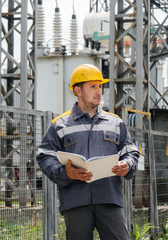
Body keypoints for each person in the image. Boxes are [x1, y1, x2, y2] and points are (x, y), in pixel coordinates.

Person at [36, 64, 140, 240]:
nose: (99, 91)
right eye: (93, 86)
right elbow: (45, 156)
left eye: (100, 86)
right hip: (76, 202)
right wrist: (65, 173)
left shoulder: (115, 123)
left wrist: (127, 165)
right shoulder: (60, 125)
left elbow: (131, 152)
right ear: (78, 90)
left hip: (109, 200)